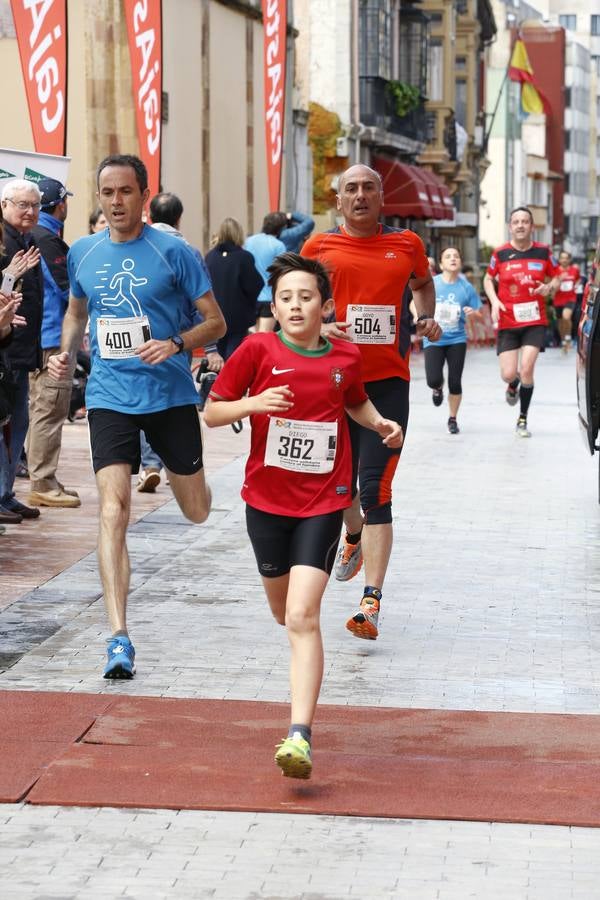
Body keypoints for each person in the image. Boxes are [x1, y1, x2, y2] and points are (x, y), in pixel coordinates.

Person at [203, 252, 403, 778]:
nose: (295, 305)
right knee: (282, 613)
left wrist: (381, 424)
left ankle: (299, 736)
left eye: (306, 297)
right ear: (276, 304)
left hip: (325, 500)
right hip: (266, 503)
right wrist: (254, 403)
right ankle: (299, 698)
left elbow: (355, 400)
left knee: (302, 616)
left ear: (325, 305)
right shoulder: (257, 349)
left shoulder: (345, 355)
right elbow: (213, 411)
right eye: (286, 297)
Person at [48, 154, 226, 679]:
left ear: (144, 196)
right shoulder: (84, 251)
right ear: (99, 197)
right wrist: (64, 351)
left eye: (127, 192)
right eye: (108, 193)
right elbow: (78, 311)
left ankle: (188, 476)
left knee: (195, 509)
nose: (117, 201)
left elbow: (216, 321)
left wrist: (175, 343)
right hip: (109, 395)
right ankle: (118, 635)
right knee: (113, 509)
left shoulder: (175, 252)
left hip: (169, 397)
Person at [301, 163, 440, 640]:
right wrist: (319, 326)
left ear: (382, 197)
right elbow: (290, 304)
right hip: (332, 382)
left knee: (376, 486)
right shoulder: (318, 247)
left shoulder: (407, 245)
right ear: (338, 201)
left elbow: (422, 284)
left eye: (368, 188)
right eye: (350, 190)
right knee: (338, 483)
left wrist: (425, 319)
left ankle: (370, 603)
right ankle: (353, 534)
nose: (359, 196)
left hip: (386, 385)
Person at [135, 190, 225, 493]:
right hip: (176, 340)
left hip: (135, 338)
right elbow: (201, 305)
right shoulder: (187, 250)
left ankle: (149, 464)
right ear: (179, 218)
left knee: (139, 398)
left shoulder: (135, 245)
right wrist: (209, 347)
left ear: (149, 215)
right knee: (173, 400)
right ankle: (175, 464)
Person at [26, 177, 81, 508]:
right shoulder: (47, 240)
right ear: (60, 205)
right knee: (50, 407)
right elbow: (69, 292)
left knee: (38, 408)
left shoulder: (29, 236)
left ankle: (43, 476)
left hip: (33, 338)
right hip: (50, 340)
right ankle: (42, 481)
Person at [483, 207, 559, 438]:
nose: (520, 225)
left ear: (531, 227)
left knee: (527, 369)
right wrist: (494, 301)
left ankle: (522, 419)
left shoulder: (544, 252)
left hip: (535, 320)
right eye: (516, 221)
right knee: (508, 374)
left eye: (525, 221)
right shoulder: (500, 253)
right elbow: (488, 278)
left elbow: (556, 277)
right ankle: (512, 384)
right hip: (508, 320)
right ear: (510, 226)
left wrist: (549, 287)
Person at [0, 179, 45, 524]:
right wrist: (9, 275)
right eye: (22, 205)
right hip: (6, 349)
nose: (29, 211)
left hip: (20, 348)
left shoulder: (27, 239)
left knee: (19, 421)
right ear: (4, 205)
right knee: (8, 424)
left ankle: (6, 492)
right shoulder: (5, 243)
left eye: (35, 205)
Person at [425, 247, 483, 434]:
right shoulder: (432, 283)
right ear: (441, 264)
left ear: (459, 262)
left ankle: (452, 418)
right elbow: (413, 303)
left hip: (457, 338)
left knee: (455, 381)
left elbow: (479, 313)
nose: (453, 259)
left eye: (456, 256)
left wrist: (473, 314)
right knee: (433, 379)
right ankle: (437, 388)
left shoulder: (466, 287)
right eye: (448, 256)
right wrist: (421, 319)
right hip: (434, 338)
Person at [204, 217, 263, 360]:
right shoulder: (244, 257)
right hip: (238, 316)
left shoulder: (210, 257)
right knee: (234, 355)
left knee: (218, 356)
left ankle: (217, 381)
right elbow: (255, 285)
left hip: (214, 314)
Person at [244, 214, 287, 332]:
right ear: (281, 228)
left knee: (251, 336)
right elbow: (282, 273)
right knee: (264, 337)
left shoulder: (249, 241)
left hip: (250, 297)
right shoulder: (278, 246)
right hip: (268, 297)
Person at [554, 250, 580, 354]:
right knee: (560, 322)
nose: (564, 260)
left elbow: (577, 279)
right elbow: (552, 286)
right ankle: (563, 340)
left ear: (569, 260)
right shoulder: (555, 270)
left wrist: (576, 285)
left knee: (566, 317)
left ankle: (568, 337)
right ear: (559, 260)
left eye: (566, 258)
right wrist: (559, 279)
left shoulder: (574, 270)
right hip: (558, 299)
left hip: (570, 298)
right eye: (562, 258)